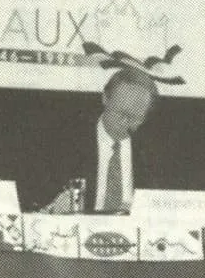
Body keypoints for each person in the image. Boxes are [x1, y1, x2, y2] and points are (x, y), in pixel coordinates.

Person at [41, 68, 160, 213]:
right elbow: (43, 199)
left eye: (135, 118)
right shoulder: (65, 141)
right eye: (120, 113)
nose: (124, 122)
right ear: (105, 98)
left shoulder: (154, 151)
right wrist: (54, 208)